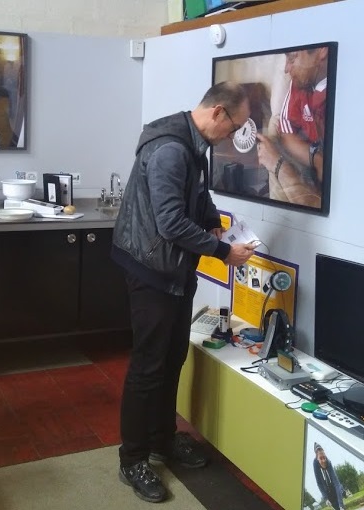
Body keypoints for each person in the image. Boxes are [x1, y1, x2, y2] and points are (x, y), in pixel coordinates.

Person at [111, 81, 257, 503]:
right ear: (217, 113)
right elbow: (171, 222)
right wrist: (223, 251)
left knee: (172, 356)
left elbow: (196, 196)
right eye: (234, 128)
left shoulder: (192, 144)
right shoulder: (172, 149)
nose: (233, 137)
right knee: (148, 365)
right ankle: (132, 458)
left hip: (174, 270)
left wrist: (212, 219)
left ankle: (163, 439)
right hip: (152, 271)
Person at [256, 47, 329, 207]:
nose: (286, 69)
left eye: (292, 58)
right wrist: (317, 160)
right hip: (310, 160)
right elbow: (286, 132)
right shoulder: (300, 84)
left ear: (321, 51)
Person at [313, 442, 345, 510]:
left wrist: (341, 505)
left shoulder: (328, 462)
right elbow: (319, 483)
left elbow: (336, 483)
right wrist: (326, 498)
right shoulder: (315, 463)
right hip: (327, 491)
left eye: (324, 457)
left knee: (341, 507)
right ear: (317, 458)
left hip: (334, 488)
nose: (324, 460)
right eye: (321, 458)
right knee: (336, 507)